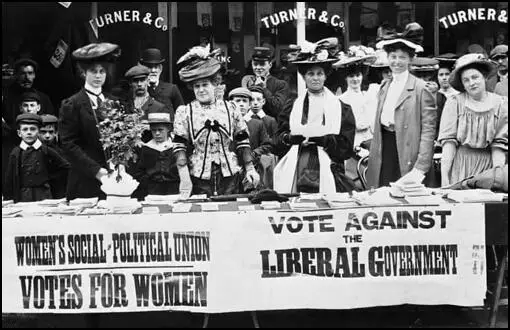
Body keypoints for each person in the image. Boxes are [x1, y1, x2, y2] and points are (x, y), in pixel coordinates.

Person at [173, 44, 260, 197]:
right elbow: (179, 146)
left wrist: (250, 168)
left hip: (230, 175)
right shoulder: (185, 112)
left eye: (205, 85)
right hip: (198, 177)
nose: (201, 90)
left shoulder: (231, 108)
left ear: (215, 84)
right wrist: (184, 177)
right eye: (196, 86)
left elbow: (242, 140)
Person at [274, 37, 356, 194]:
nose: (316, 78)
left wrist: (326, 140)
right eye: (311, 74)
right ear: (304, 77)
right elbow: (277, 141)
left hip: (329, 168)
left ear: (326, 76)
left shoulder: (340, 108)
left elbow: (346, 149)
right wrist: (289, 138)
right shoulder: (293, 106)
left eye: (320, 73)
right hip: (298, 165)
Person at [366, 22, 437, 188]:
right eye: (393, 56)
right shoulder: (384, 86)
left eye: (402, 57)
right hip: (385, 149)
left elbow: (428, 131)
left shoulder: (421, 88)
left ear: (411, 59)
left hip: (407, 151)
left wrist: (421, 167)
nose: (397, 61)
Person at [59, 42, 121, 200]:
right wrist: (97, 171)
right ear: (83, 73)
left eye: (102, 71)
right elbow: (68, 144)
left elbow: (121, 138)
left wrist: (120, 165)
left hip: (115, 177)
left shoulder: (114, 102)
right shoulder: (73, 104)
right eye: (93, 71)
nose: (98, 76)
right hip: (84, 180)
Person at [438, 53, 508, 186]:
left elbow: (499, 146)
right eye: (466, 80)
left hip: (488, 167)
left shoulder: (501, 104)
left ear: (485, 77)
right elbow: (448, 144)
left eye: (475, 77)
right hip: (460, 165)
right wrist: (445, 178)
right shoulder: (455, 103)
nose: (472, 83)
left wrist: (496, 176)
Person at [4, 113, 69, 203]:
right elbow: (9, 177)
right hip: (23, 194)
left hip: (43, 193)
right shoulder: (16, 153)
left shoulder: (46, 150)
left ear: (38, 132)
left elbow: (65, 166)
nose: (29, 132)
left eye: (33, 129)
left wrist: (48, 178)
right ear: (19, 133)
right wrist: (8, 197)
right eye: (25, 129)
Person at [334, 46, 378, 152]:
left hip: (372, 141)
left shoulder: (370, 95)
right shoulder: (341, 100)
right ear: (346, 78)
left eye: (358, 75)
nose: (355, 79)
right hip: (354, 143)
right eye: (351, 76)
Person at [229, 87, 273, 190]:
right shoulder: (225, 124)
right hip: (230, 169)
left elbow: (267, 144)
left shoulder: (256, 124)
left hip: (252, 167)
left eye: (245, 101)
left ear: (249, 105)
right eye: (237, 101)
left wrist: (254, 153)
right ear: (231, 104)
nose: (241, 104)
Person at [131, 112, 180, 199]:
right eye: (154, 130)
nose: (157, 133)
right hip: (152, 190)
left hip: (174, 189)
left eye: (160, 130)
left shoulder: (176, 147)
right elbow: (139, 172)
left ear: (168, 129)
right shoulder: (146, 149)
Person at [123, 65, 171, 143]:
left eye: (142, 80)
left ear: (148, 81)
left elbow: (165, 135)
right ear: (130, 84)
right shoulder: (124, 107)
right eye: (135, 81)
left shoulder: (159, 107)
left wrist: (148, 127)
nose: (139, 84)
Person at [241, 47, 290, 118]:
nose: (258, 67)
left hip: (271, 126)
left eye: (262, 64)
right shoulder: (248, 83)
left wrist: (264, 89)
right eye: (255, 64)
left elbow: (278, 109)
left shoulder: (281, 84)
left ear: (270, 65)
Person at [139, 48, 184, 121]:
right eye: (150, 67)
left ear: (160, 69)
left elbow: (182, 114)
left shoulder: (172, 89)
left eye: (156, 67)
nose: (153, 70)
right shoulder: (140, 91)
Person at [39, 114, 69, 199]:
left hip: (58, 192)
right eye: (43, 132)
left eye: (51, 132)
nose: (47, 136)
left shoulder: (62, 152)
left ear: (56, 133)